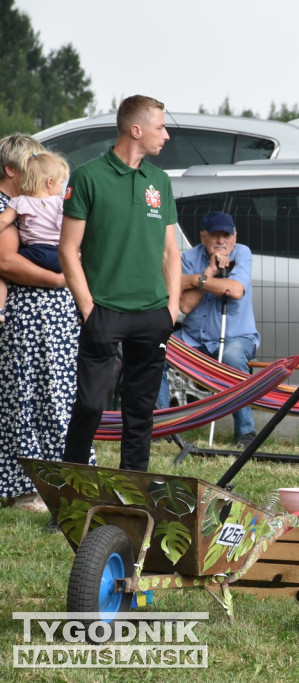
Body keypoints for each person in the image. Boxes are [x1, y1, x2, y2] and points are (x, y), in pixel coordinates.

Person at [60, 95, 181, 473]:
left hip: (152, 315)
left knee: (139, 412)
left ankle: (133, 496)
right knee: (90, 407)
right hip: (103, 312)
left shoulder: (159, 181)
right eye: (160, 127)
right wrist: (87, 308)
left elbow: (170, 253)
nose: (166, 135)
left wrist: (172, 307)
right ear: (136, 129)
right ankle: (70, 495)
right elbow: (68, 250)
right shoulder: (87, 177)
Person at [0, 134, 78, 514]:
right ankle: (29, 488)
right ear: (12, 170)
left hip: (51, 316)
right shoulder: (8, 205)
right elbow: (6, 263)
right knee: (30, 397)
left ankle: (63, 479)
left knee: (55, 394)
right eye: (34, 161)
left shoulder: (41, 203)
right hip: (32, 316)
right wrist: (62, 280)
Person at [157, 211, 259, 447]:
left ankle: (246, 432)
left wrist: (195, 281)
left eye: (227, 234)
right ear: (203, 236)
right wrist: (208, 273)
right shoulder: (189, 258)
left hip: (236, 337)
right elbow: (185, 305)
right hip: (194, 339)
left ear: (235, 235)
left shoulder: (242, 253)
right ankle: (163, 428)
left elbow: (234, 290)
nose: (222, 241)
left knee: (233, 358)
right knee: (157, 350)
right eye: (215, 235)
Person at [0, 151, 70, 322]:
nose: (61, 187)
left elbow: (3, 222)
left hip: (34, 254)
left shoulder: (19, 202)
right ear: (49, 182)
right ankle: (86, 309)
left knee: (2, 271)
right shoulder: (62, 202)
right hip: (58, 255)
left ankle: (0, 308)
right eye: (61, 182)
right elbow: (67, 228)